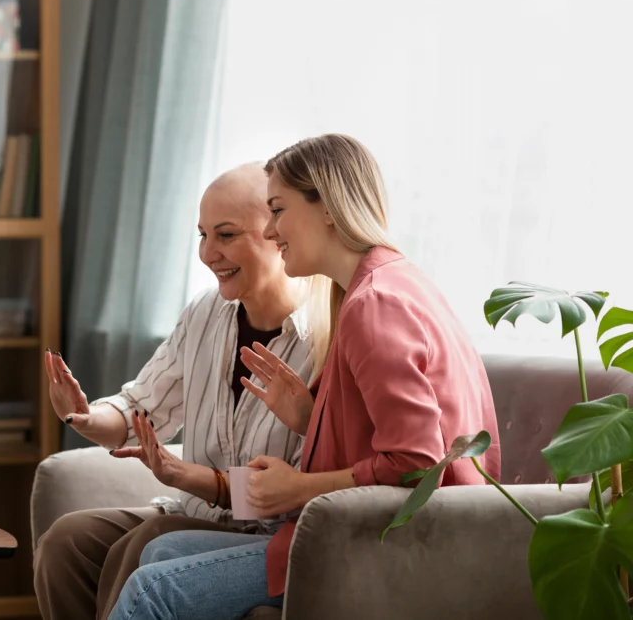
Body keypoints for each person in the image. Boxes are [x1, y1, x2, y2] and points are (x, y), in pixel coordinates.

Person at [107, 134, 502, 620]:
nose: (271, 231)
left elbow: (417, 460)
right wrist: (311, 416)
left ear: (329, 209)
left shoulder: (374, 303)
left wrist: (297, 488)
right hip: (367, 528)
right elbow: (397, 440)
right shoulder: (382, 283)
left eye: (277, 210)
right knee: (161, 552)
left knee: (154, 588)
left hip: (390, 543)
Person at [33, 162, 319, 620]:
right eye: (202, 236)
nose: (208, 254)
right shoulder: (206, 312)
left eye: (225, 235)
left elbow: (303, 489)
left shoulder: (324, 336)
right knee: (65, 541)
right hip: (197, 514)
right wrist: (86, 418)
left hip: (268, 533)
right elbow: (141, 408)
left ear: (277, 233)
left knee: (152, 541)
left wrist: (188, 476)